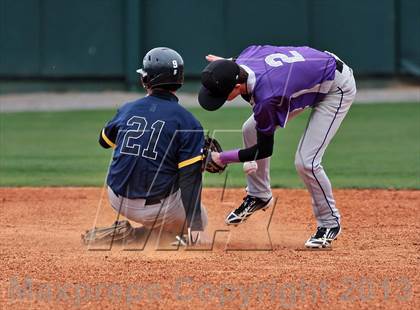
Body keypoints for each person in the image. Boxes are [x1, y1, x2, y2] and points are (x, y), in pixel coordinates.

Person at [198, 45, 356, 248]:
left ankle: (329, 224)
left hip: (335, 87)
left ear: (237, 87)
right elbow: (241, 63)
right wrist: (223, 66)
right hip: (310, 74)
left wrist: (222, 158)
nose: (216, 98)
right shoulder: (245, 59)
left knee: (306, 162)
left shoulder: (269, 97)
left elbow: (264, 149)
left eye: (220, 94)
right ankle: (259, 194)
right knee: (249, 129)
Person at [97, 47, 207, 246]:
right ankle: (149, 235)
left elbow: (104, 141)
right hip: (160, 210)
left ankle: (142, 231)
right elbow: (190, 179)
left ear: (145, 80)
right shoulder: (189, 122)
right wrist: (196, 227)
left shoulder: (127, 108)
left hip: (117, 199)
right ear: (180, 81)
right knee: (194, 182)